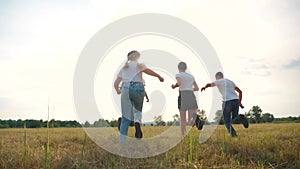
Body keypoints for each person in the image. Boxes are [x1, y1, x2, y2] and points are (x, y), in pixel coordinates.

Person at [114, 50, 164, 142]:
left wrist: (118, 90)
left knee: (125, 118)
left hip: (126, 88)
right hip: (138, 87)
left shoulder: (124, 67)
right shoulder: (139, 65)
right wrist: (158, 76)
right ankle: (137, 122)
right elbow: (148, 71)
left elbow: (116, 83)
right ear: (137, 57)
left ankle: (122, 143)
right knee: (137, 112)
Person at [201, 72, 249, 137]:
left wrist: (204, 87)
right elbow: (240, 92)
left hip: (227, 101)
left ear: (217, 77)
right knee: (235, 117)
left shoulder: (219, 81)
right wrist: (240, 103)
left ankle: (234, 135)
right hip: (236, 100)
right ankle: (240, 117)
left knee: (227, 121)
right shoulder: (230, 82)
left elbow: (209, 84)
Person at [171, 62, 202, 135]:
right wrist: (190, 89)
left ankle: (183, 136)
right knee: (191, 120)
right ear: (185, 68)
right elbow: (197, 88)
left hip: (183, 95)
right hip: (191, 95)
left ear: (178, 68)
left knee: (183, 120)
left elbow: (179, 83)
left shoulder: (178, 75)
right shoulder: (191, 76)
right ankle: (195, 118)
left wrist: (174, 86)